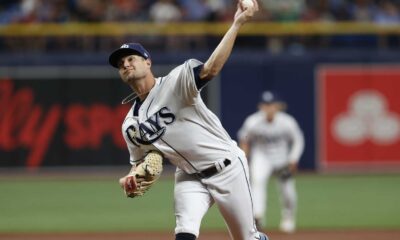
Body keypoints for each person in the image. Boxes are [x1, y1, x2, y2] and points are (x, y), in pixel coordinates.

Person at [109, 1, 268, 240]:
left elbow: (211, 69)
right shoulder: (130, 124)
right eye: (121, 64)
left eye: (131, 58)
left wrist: (237, 23)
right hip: (189, 176)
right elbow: (142, 161)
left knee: (247, 238)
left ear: (147, 62)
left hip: (227, 167)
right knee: (184, 235)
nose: (126, 64)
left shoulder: (176, 82)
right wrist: (131, 178)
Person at [238, 90, 305, 233]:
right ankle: (258, 217)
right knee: (257, 183)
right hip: (261, 157)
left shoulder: (287, 121)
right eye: (266, 105)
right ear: (260, 106)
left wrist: (293, 159)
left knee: (287, 190)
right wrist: (244, 157)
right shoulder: (253, 121)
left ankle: (288, 217)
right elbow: (245, 140)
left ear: (278, 106)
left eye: (271, 104)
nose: (268, 108)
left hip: (282, 158)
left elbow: (298, 140)